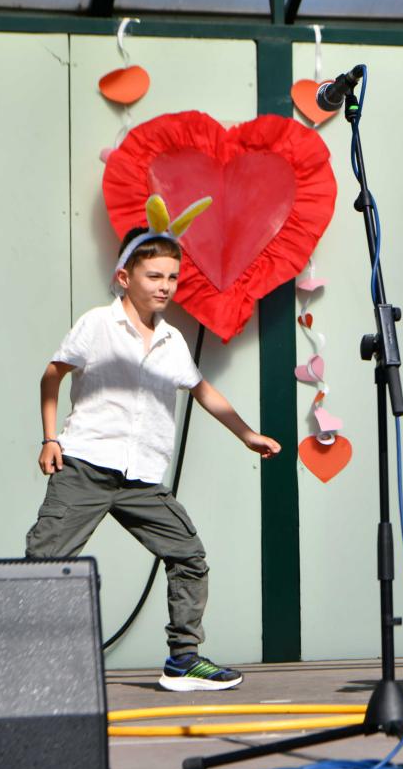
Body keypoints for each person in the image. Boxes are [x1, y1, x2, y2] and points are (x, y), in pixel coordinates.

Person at [25, 195, 281, 692]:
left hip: (141, 476)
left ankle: (184, 660)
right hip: (86, 465)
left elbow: (202, 390)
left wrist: (247, 434)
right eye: (154, 276)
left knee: (188, 555)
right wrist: (50, 438)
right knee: (45, 559)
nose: (165, 286)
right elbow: (52, 375)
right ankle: (28, 664)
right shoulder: (97, 325)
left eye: (172, 278)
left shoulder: (171, 341)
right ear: (125, 277)